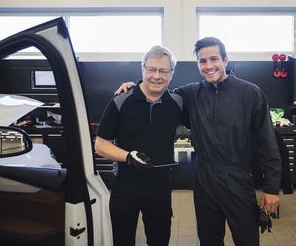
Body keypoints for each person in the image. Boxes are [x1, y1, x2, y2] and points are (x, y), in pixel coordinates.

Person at [115, 37, 282, 246]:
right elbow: (158, 94)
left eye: (214, 59)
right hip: (204, 178)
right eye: (203, 61)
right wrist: (134, 87)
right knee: (209, 239)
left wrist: (272, 188)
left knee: (247, 238)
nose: (209, 66)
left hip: (237, 177)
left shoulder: (250, 93)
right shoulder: (190, 94)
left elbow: (268, 143)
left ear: (225, 60)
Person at [95, 45, 189, 246]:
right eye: (152, 69)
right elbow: (101, 145)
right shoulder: (121, 100)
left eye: (163, 71)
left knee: (159, 240)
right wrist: (128, 157)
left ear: (171, 74)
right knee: (122, 240)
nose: (157, 76)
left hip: (160, 188)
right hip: (125, 187)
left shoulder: (177, 103)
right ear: (142, 69)